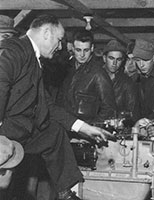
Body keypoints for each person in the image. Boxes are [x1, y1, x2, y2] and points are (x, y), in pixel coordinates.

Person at [0, 14, 113, 200]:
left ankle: (65, 192)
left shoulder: (34, 60)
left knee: (54, 132)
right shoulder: (15, 49)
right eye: (59, 40)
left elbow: (48, 106)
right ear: (46, 33)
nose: (60, 47)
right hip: (8, 133)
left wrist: (84, 128)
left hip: (23, 130)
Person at [57, 29, 117, 124]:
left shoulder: (98, 74)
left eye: (86, 50)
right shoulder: (66, 69)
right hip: (65, 128)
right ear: (72, 48)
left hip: (85, 134)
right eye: (78, 50)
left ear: (92, 48)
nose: (82, 55)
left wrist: (90, 128)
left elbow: (109, 109)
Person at [102, 39, 140, 121]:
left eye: (118, 59)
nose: (114, 63)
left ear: (122, 61)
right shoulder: (93, 78)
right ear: (104, 58)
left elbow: (132, 113)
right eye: (111, 58)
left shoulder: (127, 83)